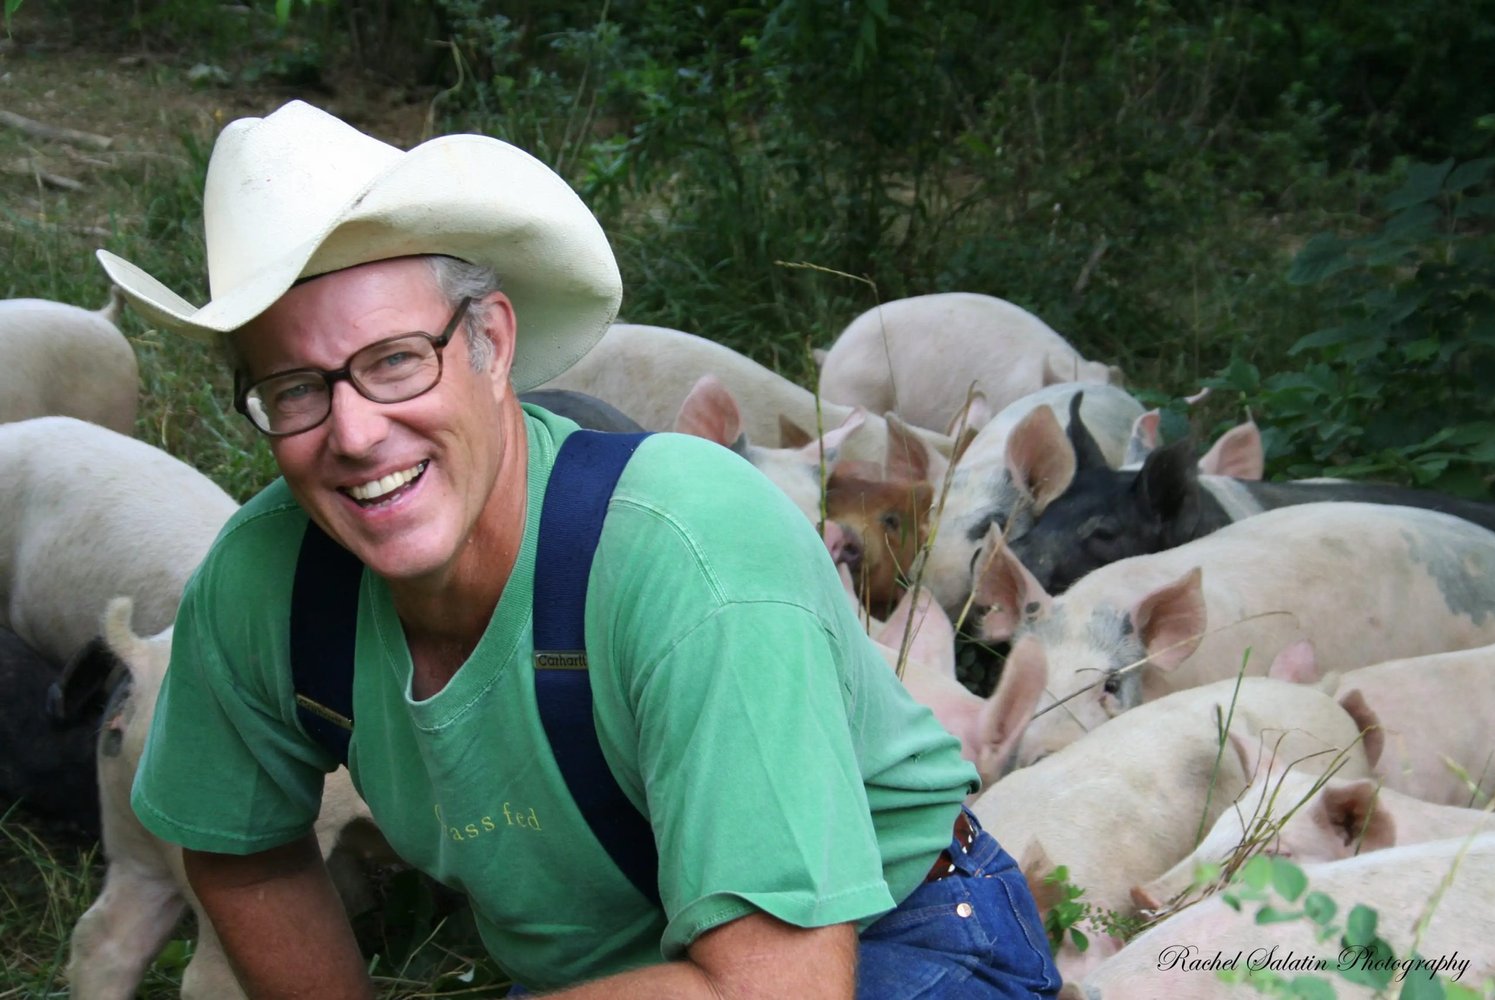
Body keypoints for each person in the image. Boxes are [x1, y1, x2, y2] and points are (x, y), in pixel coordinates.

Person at [99, 99, 1061, 999]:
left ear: (492, 341)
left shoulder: (688, 554)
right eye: (297, 389)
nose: (354, 434)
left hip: (876, 934)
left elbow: (777, 986)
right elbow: (242, 847)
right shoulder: (265, 581)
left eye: (394, 360)